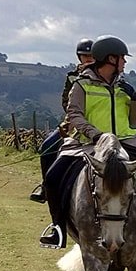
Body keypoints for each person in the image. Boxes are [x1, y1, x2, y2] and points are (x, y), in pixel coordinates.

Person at [40, 35, 136, 245]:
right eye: (122, 58)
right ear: (110, 59)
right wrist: (95, 134)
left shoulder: (124, 86)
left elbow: (134, 121)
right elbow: (74, 115)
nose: (125, 62)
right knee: (54, 175)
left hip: (126, 139)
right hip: (88, 142)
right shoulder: (81, 85)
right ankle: (58, 228)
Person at [29, 37, 94, 207]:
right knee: (47, 147)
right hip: (73, 123)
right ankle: (45, 187)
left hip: (100, 123)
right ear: (79, 58)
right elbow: (66, 101)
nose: (88, 59)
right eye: (84, 56)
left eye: (91, 56)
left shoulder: (103, 76)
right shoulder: (72, 77)